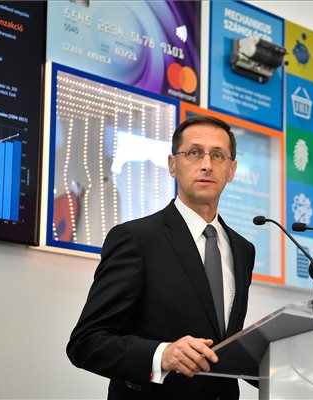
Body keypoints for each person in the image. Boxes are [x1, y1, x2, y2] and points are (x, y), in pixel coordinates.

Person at [67, 115, 256, 399]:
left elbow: (223, 342)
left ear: (232, 169)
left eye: (218, 155)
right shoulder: (136, 238)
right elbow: (86, 342)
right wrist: (161, 355)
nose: (207, 164)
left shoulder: (243, 249)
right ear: (172, 165)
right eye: (194, 152)